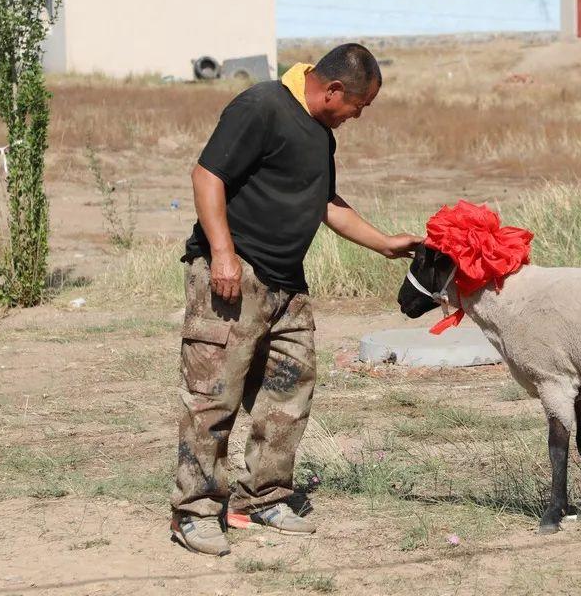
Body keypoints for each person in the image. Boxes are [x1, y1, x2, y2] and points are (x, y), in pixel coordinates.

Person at [170, 43, 422, 556]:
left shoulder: (319, 134)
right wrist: (223, 254)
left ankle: (263, 496)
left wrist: (386, 243)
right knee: (212, 397)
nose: (357, 116)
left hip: (288, 287)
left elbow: (326, 201)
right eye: (358, 105)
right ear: (332, 90)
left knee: (289, 393)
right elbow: (207, 175)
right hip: (234, 280)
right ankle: (194, 510)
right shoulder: (261, 106)